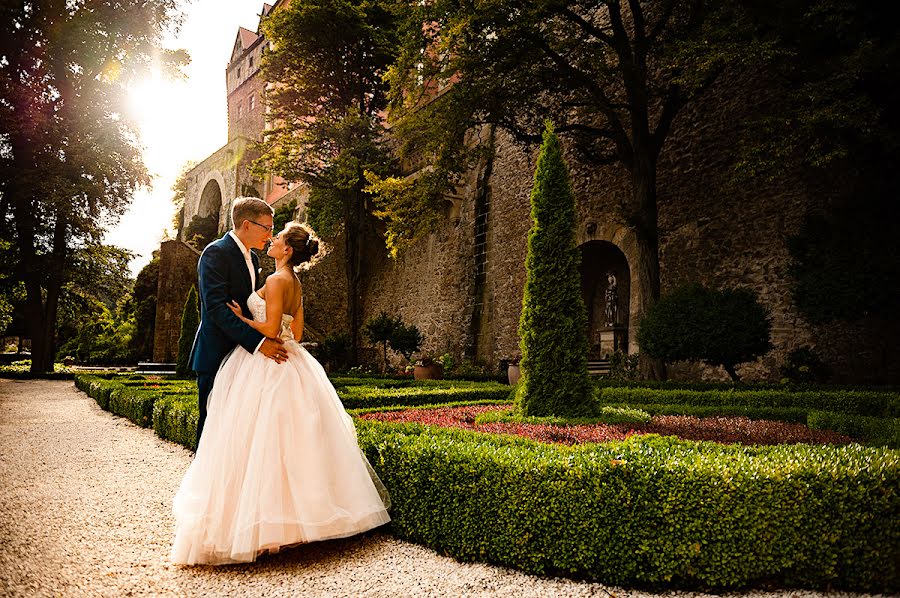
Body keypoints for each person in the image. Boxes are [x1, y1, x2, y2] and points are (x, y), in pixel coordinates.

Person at [171, 222, 391, 565]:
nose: (271, 240)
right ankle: (301, 520)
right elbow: (296, 332)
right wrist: (269, 330)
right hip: (293, 360)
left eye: (278, 237)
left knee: (258, 440)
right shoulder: (296, 284)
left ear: (287, 250)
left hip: (264, 360)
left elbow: (271, 329)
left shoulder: (274, 281)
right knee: (294, 441)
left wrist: (242, 319)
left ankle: (260, 524)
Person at [189, 197, 288, 446]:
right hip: (217, 352)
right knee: (213, 425)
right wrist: (259, 342)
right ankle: (205, 486)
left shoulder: (253, 259)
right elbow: (215, 310)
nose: (270, 234)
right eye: (267, 227)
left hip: (245, 359)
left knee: (239, 429)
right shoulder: (215, 253)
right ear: (246, 224)